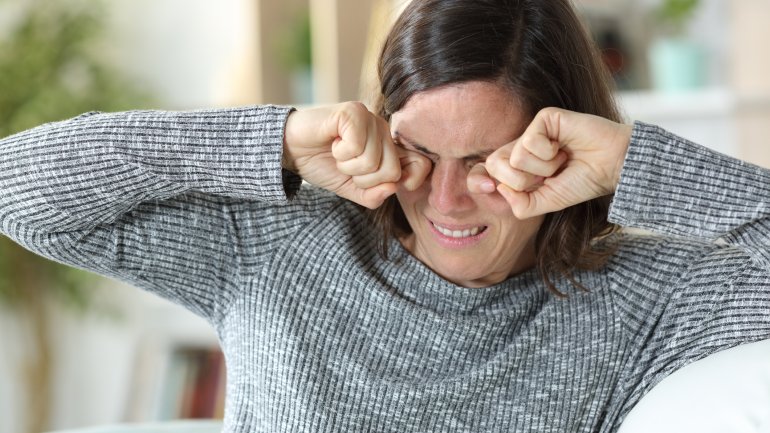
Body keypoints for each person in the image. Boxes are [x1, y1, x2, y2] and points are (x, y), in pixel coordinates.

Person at [1, 0, 768, 431]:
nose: (445, 198)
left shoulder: (640, 300)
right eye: (421, 152)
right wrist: (275, 138)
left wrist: (635, 166)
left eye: (486, 162)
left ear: (561, 148)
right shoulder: (279, 238)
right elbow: (18, 189)